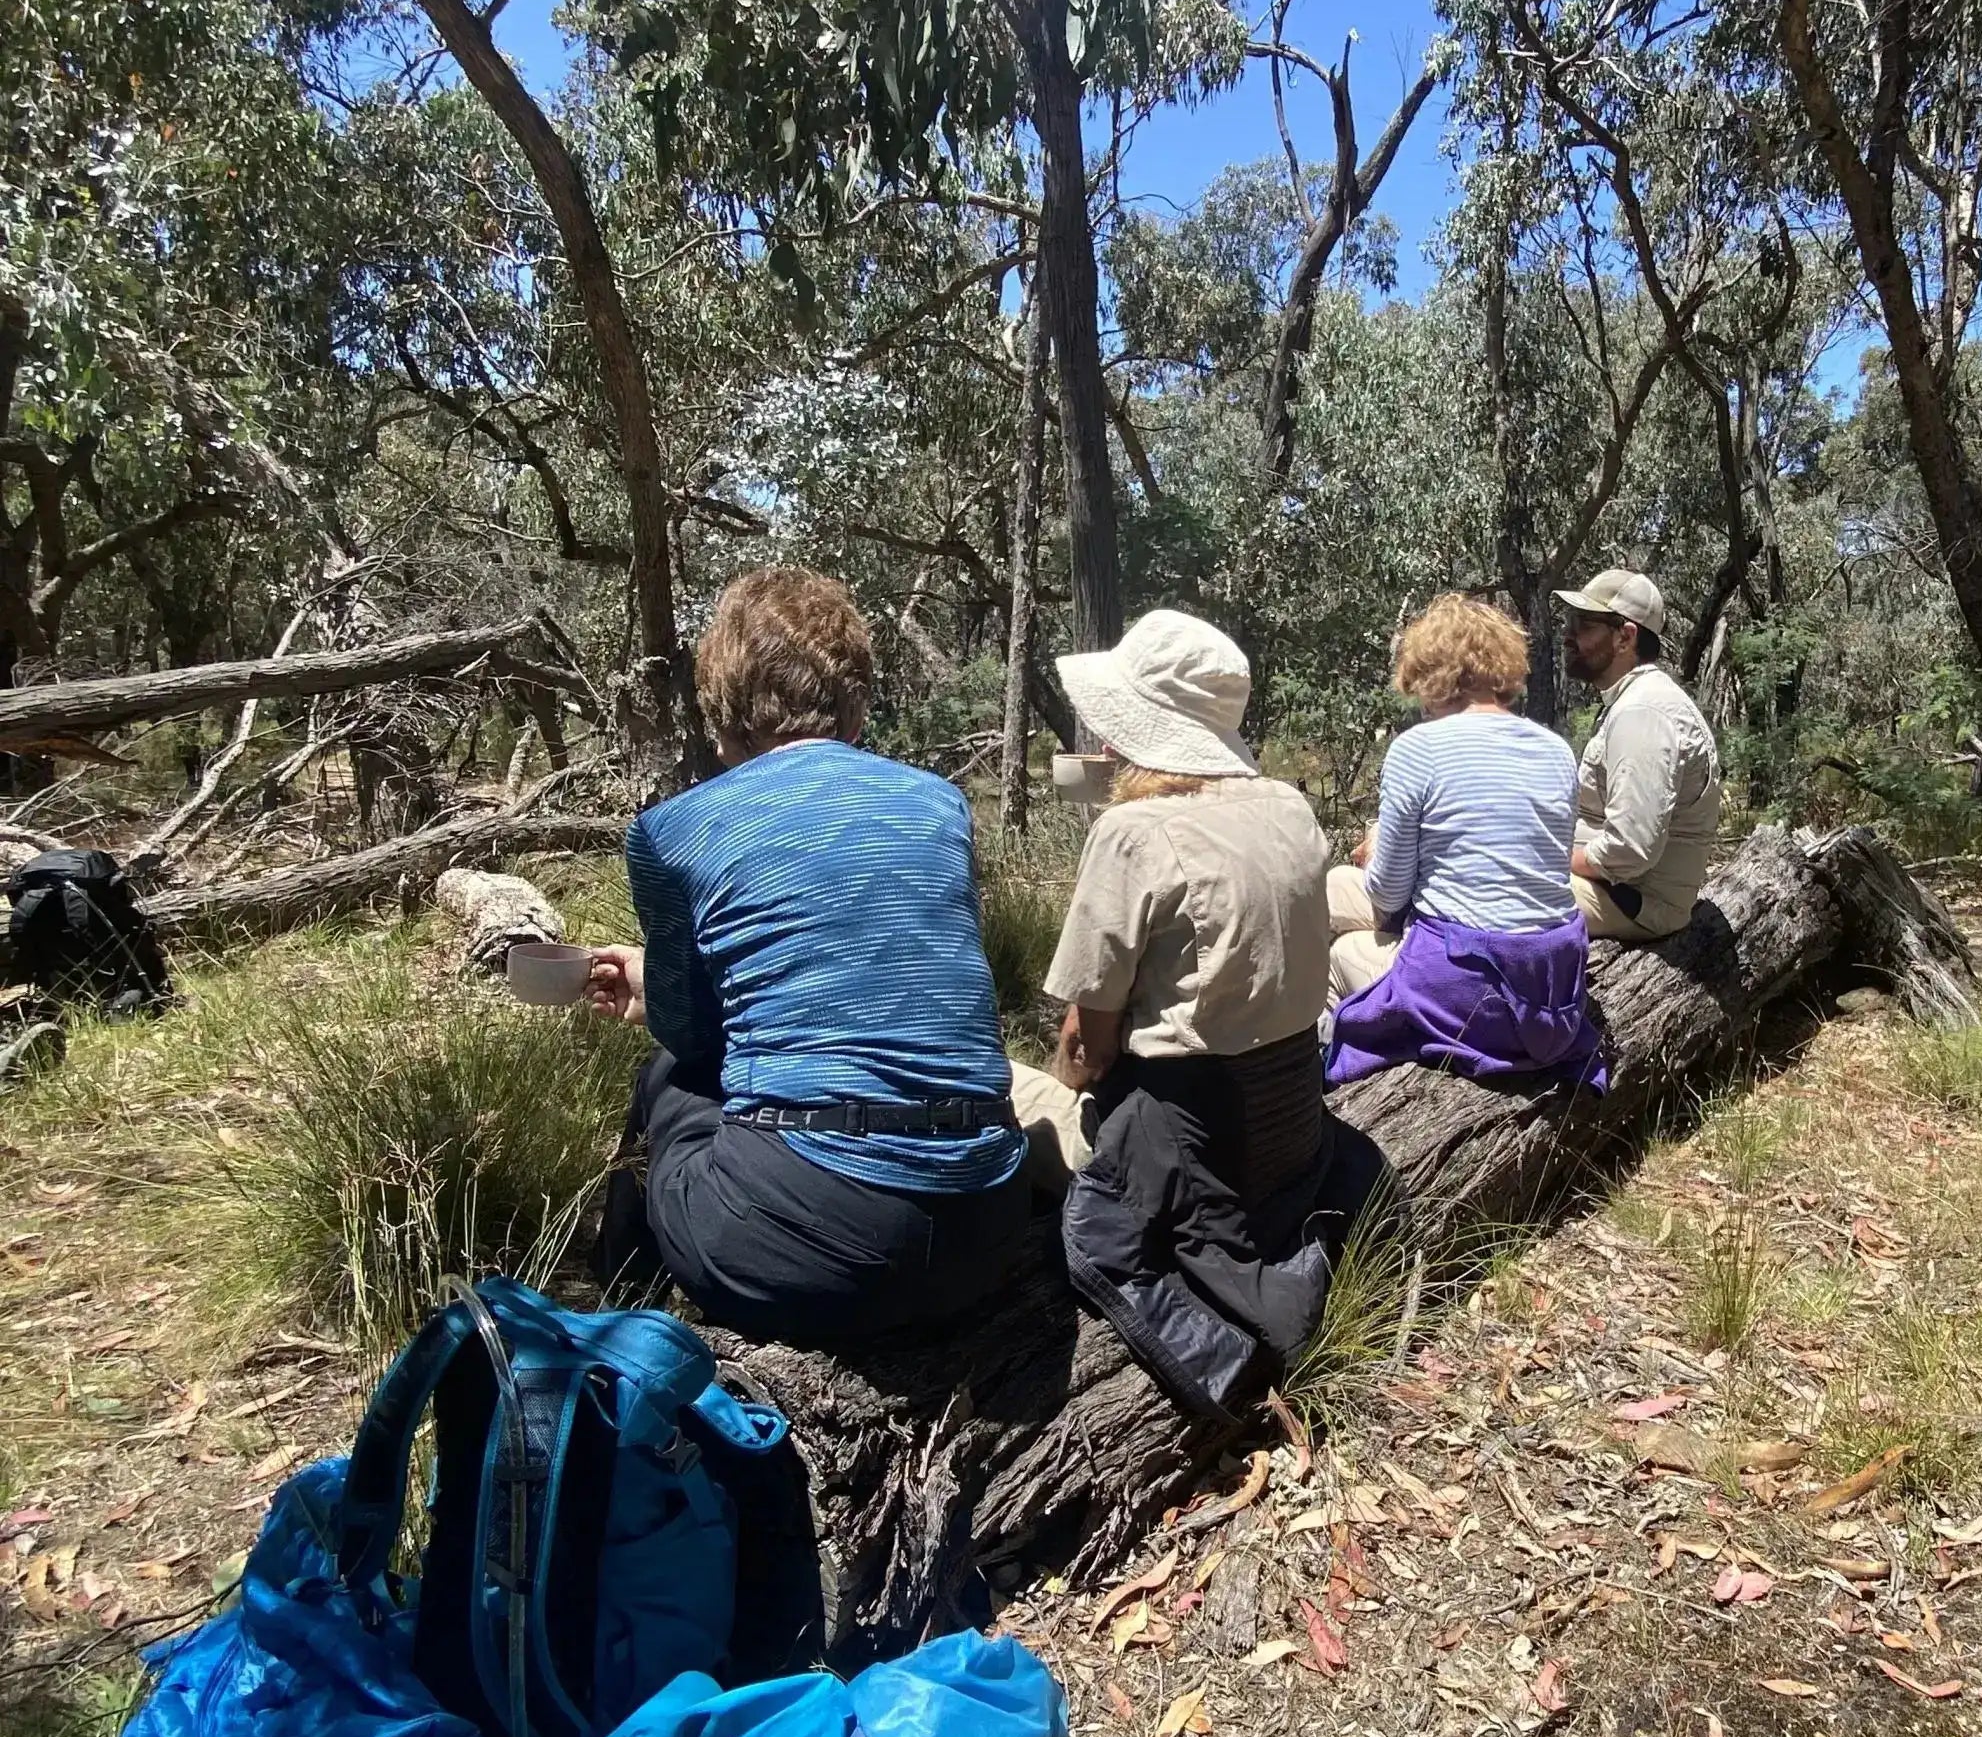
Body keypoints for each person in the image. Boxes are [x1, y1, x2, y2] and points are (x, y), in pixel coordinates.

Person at [583, 566, 1036, 1347]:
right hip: (986, 1227)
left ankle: (610, 1311)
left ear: (720, 710)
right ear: (854, 706)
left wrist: (653, 994)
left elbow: (696, 1039)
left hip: (813, 1244)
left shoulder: (672, 829)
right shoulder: (941, 802)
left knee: (668, 1078)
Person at [1009, 608, 1334, 1203]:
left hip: (1181, 1165)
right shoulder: (1290, 808)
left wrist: (1075, 1089)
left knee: (1003, 1087)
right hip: (1290, 1131)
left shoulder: (1133, 831)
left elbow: (1089, 1041)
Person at [1322, 595, 1602, 1088]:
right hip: (1552, 981)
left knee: (1343, 952)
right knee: (1336, 887)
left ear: (1428, 673)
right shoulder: (1556, 750)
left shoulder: (1418, 749)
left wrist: (1381, 848)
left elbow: (1387, 895)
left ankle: (1322, 1086)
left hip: (1474, 991)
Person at [1554, 568, 1722, 941]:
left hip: (1632, 901)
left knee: (1485, 897)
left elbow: (1630, 849)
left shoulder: (1643, 711)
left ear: (1625, 637)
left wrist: (1553, 860)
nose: (1568, 636)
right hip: (1615, 888)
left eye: (1583, 625)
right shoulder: (1630, 701)